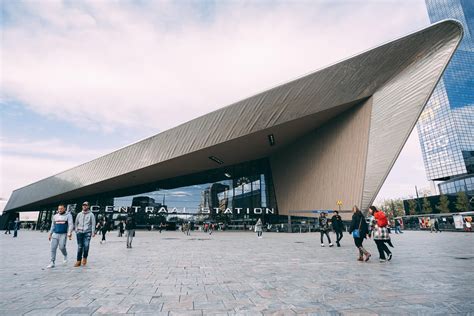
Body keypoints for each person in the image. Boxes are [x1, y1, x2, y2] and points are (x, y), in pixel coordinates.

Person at [47, 204, 73, 268]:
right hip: (55, 234)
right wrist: (50, 234)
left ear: (64, 209)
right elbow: (52, 226)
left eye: (61, 209)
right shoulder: (55, 216)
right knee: (53, 248)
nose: (60, 210)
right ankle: (52, 262)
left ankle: (65, 255)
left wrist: (69, 233)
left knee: (62, 247)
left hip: (63, 234)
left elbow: (70, 224)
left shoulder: (68, 215)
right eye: (59, 209)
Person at [74, 201, 96, 267]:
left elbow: (93, 224)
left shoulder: (91, 215)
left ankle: (84, 258)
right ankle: (78, 260)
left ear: (88, 206)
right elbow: (76, 223)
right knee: (80, 246)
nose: (84, 206)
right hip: (79, 232)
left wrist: (93, 232)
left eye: (86, 205)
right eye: (83, 205)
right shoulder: (79, 214)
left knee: (86, 246)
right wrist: (76, 230)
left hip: (87, 232)